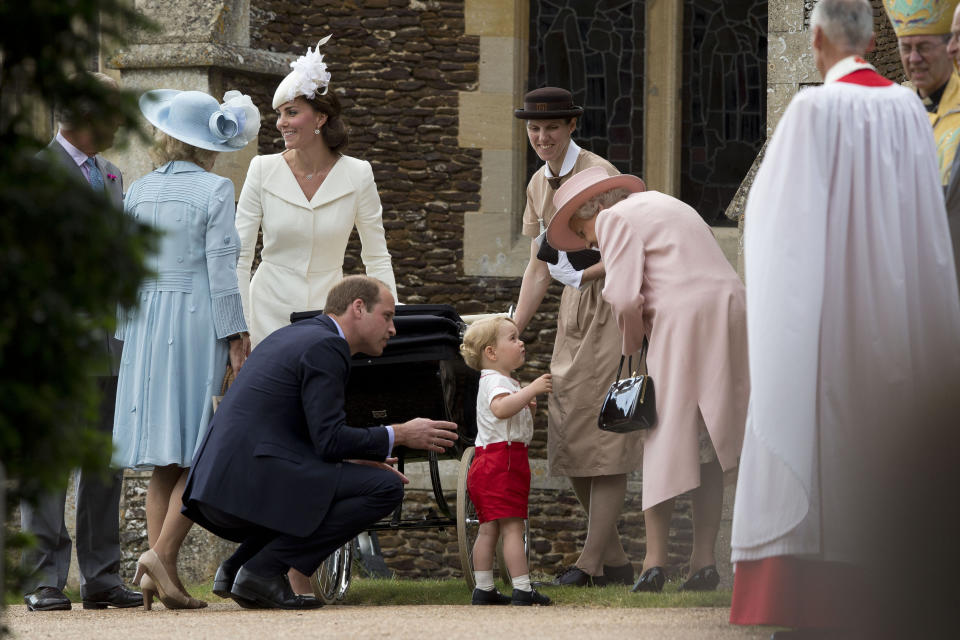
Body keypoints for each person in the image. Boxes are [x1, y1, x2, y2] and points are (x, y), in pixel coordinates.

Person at [728, 0, 960, 635]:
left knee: (823, 456)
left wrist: (782, 332)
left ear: (818, 38)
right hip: (893, 323)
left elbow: (778, 236)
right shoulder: (910, 111)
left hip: (824, 330)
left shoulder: (809, 111)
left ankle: (809, 607)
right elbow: (927, 236)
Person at [179, 276, 458, 610]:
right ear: (358, 308)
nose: (394, 329)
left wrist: (350, 460)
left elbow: (307, 434)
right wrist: (400, 434)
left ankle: (239, 567)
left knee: (351, 479)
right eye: (387, 316)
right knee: (385, 487)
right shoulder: (328, 346)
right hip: (248, 483)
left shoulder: (298, 334)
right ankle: (264, 570)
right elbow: (330, 440)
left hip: (221, 482)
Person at [546, 166, 748, 594]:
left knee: (663, 437)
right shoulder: (668, 203)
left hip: (681, 321)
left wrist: (631, 348)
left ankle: (653, 565)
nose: (587, 242)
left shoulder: (614, 218)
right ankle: (703, 564)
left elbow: (621, 295)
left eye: (581, 233)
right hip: (730, 311)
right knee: (708, 440)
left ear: (594, 209)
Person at [112, 88, 258, 610]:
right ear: (205, 143)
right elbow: (222, 270)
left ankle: (160, 571)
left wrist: (128, 334)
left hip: (147, 322)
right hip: (197, 320)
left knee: (164, 458)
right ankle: (160, 560)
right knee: (203, 450)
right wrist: (236, 334)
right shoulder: (217, 189)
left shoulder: (139, 190)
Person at [20, 71, 143, 612]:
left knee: (103, 462)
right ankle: (44, 579)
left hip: (111, 344)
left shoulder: (113, 177)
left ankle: (101, 575)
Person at [511, 87, 643, 588]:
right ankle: (614, 559)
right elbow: (538, 266)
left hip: (614, 303)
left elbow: (629, 250)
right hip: (573, 315)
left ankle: (589, 563)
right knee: (568, 433)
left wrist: (585, 277)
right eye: (533, 129)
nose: (542, 137)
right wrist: (513, 327)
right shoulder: (537, 183)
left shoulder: (600, 175)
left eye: (551, 127)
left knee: (608, 430)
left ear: (571, 126)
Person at [235, 36, 397, 349]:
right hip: (266, 313)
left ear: (320, 118)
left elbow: (376, 257)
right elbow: (240, 258)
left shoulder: (358, 173)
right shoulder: (261, 168)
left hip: (329, 316)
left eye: (291, 112)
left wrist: (391, 317)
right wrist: (240, 326)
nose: (281, 123)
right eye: (280, 114)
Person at [460, 316, 553, 607]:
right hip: (503, 462)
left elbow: (511, 418)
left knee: (490, 527)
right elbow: (501, 410)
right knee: (513, 527)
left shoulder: (499, 381)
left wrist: (527, 404)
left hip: (492, 461)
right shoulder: (498, 382)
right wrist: (531, 390)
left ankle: (484, 587)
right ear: (491, 352)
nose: (521, 342)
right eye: (512, 338)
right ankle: (523, 588)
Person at [888, 0, 960, 291]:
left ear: (947, 47)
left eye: (924, 47)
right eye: (906, 48)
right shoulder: (892, 115)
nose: (914, 58)